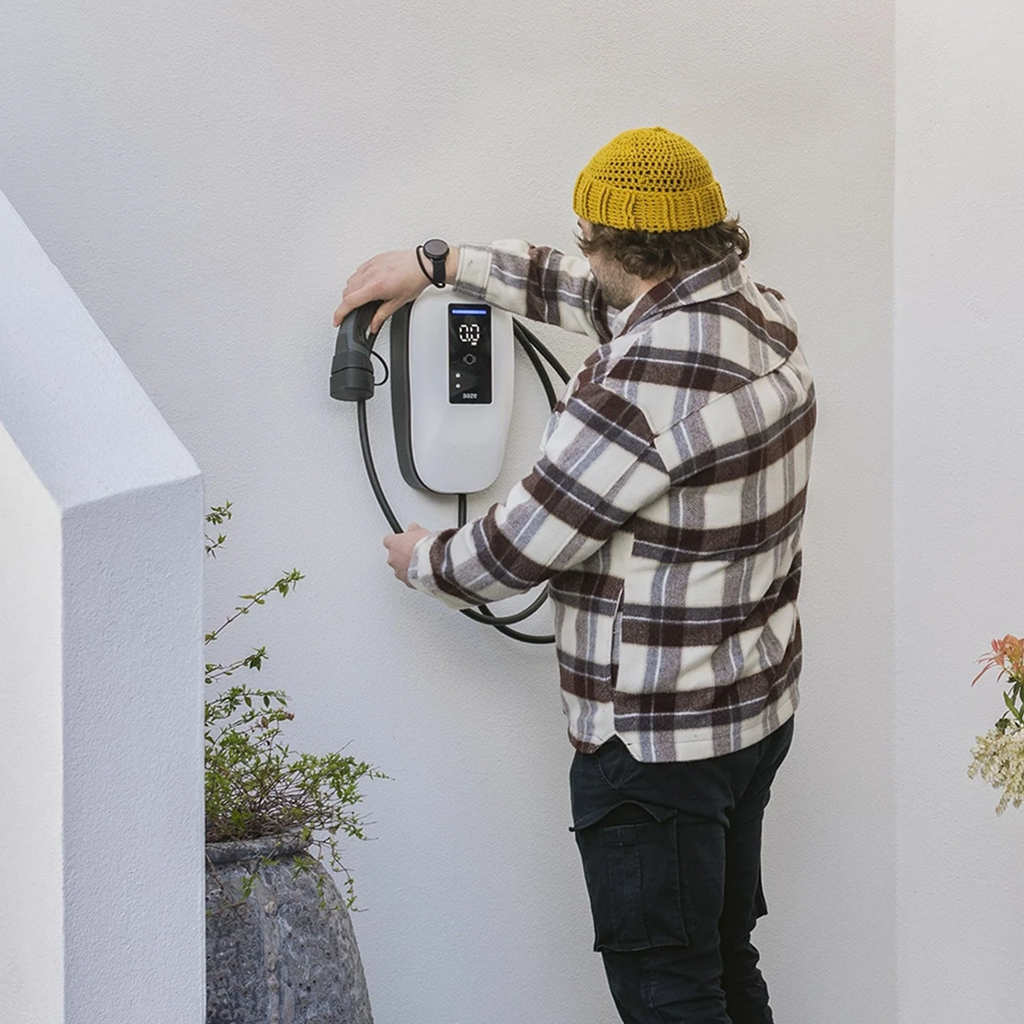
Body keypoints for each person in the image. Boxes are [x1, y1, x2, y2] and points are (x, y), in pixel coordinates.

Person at [333, 126, 815, 1024]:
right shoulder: (755, 314)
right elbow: (588, 295)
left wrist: (423, 560)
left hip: (655, 748)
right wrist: (440, 265)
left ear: (627, 249)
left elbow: (511, 553)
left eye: (589, 239)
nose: (581, 256)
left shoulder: (641, 384)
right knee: (719, 962)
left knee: (667, 995)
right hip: (749, 715)